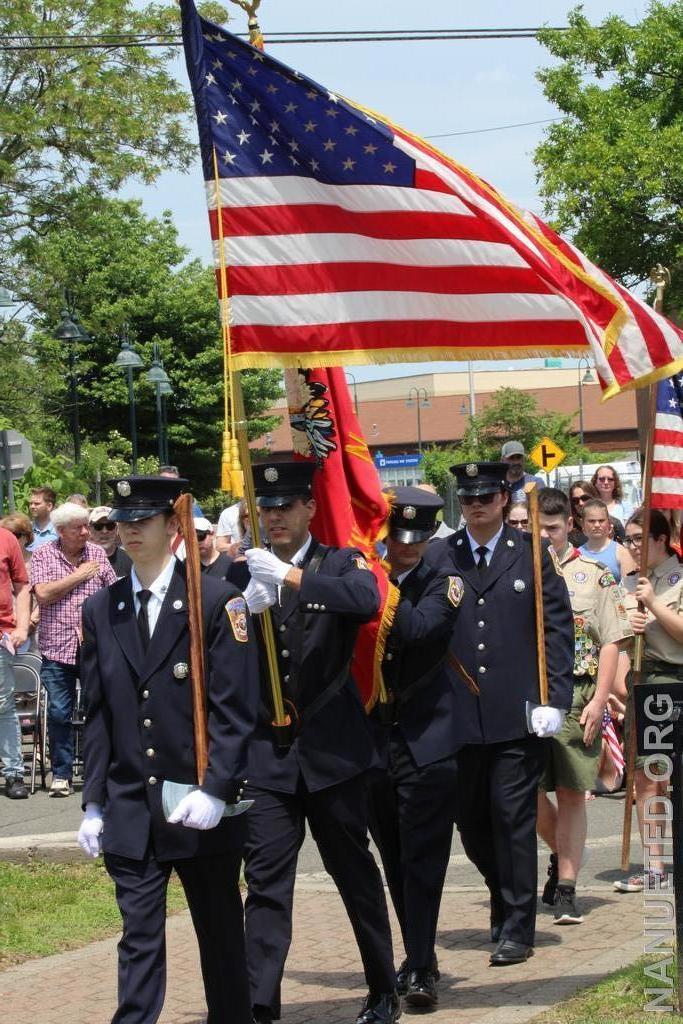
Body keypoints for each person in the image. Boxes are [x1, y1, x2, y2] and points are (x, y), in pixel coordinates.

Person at [77, 475, 258, 1024]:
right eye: (120, 522)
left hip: (196, 803)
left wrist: (217, 788)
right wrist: (93, 801)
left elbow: (235, 711)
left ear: (173, 526)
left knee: (221, 938)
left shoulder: (216, 602)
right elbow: (99, 713)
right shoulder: (102, 609)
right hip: (132, 802)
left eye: (142, 520)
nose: (128, 531)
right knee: (137, 938)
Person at [238, 461, 399, 1024]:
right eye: (268, 507)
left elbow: (365, 601)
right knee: (264, 884)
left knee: (354, 874)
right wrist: (241, 596)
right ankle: (260, 1003)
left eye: (287, 506)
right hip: (269, 758)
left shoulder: (339, 561)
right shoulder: (244, 574)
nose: (276, 516)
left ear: (310, 508)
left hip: (333, 753)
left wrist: (288, 579)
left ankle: (383, 987)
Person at [424, 461, 574, 966]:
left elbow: (556, 631)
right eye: (468, 498)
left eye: (486, 496)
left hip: (517, 712)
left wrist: (554, 699)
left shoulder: (530, 554)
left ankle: (517, 925)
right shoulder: (439, 553)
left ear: (504, 499)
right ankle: (502, 892)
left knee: (513, 819)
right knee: (471, 823)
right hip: (458, 715)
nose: (476, 505)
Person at [366, 487, 461, 1009]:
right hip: (377, 741)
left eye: (414, 539)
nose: (404, 548)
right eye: (395, 538)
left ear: (428, 536)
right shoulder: (369, 576)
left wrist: (374, 586)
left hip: (427, 742)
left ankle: (422, 964)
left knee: (424, 860)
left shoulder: (444, 582)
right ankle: (416, 952)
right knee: (395, 861)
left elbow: (423, 629)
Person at [535, 489, 631, 924]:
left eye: (552, 528)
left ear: (568, 527)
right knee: (527, 794)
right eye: (534, 527)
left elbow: (611, 639)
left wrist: (598, 699)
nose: (543, 535)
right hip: (530, 697)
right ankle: (562, 853)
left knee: (573, 791)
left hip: (576, 694)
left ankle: (568, 886)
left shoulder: (593, 574)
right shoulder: (517, 573)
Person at [613, 509, 683, 893]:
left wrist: (654, 605)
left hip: (676, 678)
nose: (633, 546)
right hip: (643, 679)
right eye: (629, 539)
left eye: (640, 538)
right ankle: (655, 864)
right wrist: (628, 629)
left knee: (674, 775)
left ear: (661, 539)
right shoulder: (630, 583)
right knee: (646, 777)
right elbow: (615, 636)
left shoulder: (678, 579)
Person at [30, 502, 117, 796]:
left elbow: (115, 591)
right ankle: (62, 774)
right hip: (57, 648)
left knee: (99, 709)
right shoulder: (43, 555)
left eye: (86, 526)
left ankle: (98, 771)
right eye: (79, 527)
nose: (85, 532)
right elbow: (43, 594)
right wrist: (80, 576)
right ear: (61, 531)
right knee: (59, 712)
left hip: (94, 646)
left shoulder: (97, 554)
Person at [0, 524, 31, 799]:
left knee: (3, 706)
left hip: (0, 634)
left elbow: (22, 586)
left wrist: (21, 627)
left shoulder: (6, 538)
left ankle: (13, 773)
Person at [0, 514, 39, 641]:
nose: (12, 537)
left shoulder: (38, 560)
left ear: (27, 537)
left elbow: (24, 589)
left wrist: (26, 623)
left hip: (25, 628)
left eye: (16, 534)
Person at [579, 498, 635, 583]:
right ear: (582, 523)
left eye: (601, 520)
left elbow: (630, 590)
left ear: (608, 522)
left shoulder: (622, 553)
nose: (597, 525)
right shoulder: (577, 554)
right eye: (591, 521)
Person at [89, 506, 132, 579]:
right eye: (98, 526)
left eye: (110, 526)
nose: (105, 531)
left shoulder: (130, 559)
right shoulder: (80, 560)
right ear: (90, 530)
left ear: (116, 529)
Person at [568, 481, 599, 548]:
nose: (581, 503)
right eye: (575, 500)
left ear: (593, 498)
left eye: (585, 498)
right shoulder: (568, 527)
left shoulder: (612, 523)